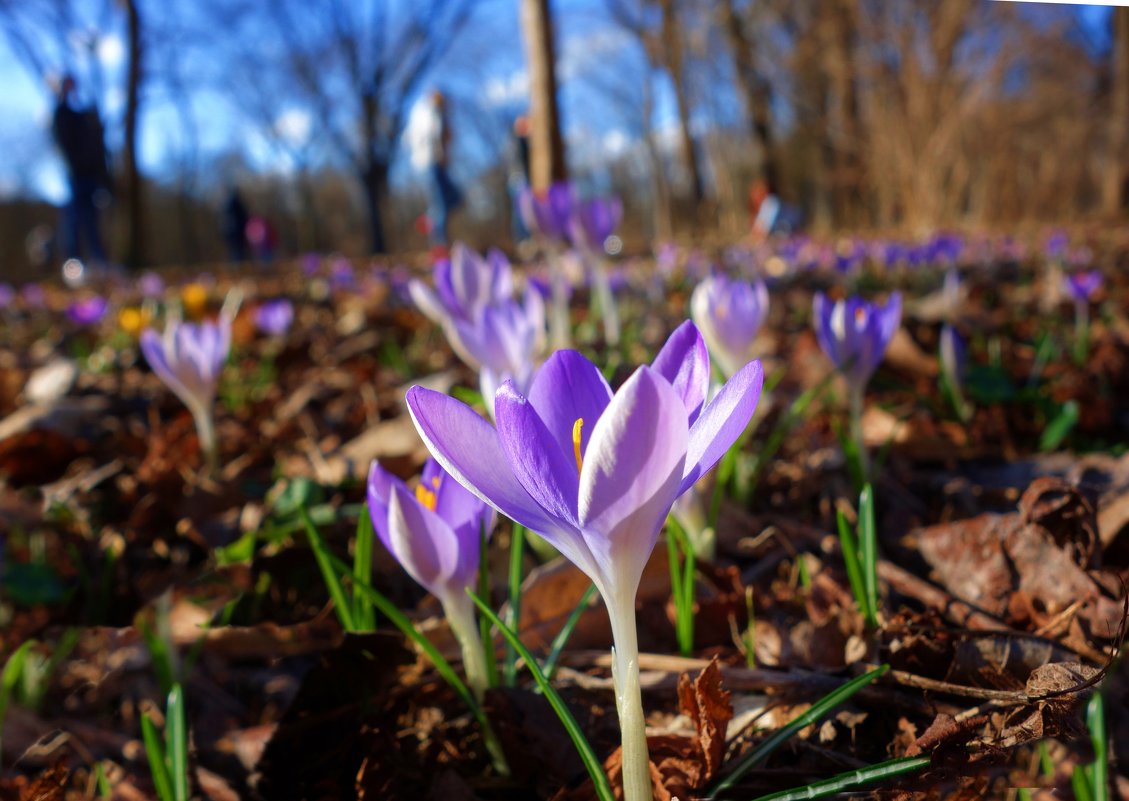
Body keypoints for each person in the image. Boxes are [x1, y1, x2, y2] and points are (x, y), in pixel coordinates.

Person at [52, 74, 110, 266]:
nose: (72, 89)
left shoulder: (86, 117)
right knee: (75, 216)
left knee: (91, 218)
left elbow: (97, 145)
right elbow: (65, 142)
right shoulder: (62, 113)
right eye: (67, 85)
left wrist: (103, 175)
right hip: (76, 173)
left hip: (91, 174)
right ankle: (73, 260)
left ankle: (98, 259)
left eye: (73, 85)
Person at [423, 90, 462, 250]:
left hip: (440, 163)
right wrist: (439, 153)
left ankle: (430, 220)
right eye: (439, 99)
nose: (442, 102)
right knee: (441, 203)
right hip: (433, 162)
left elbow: (446, 138)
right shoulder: (428, 115)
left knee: (453, 198)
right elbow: (433, 136)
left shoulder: (441, 115)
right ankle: (440, 243)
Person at [222, 187, 250, 262]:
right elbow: (243, 216)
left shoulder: (226, 205)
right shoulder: (237, 203)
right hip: (236, 229)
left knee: (233, 249)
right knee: (239, 249)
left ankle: (236, 264)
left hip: (228, 230)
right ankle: (239, 264)